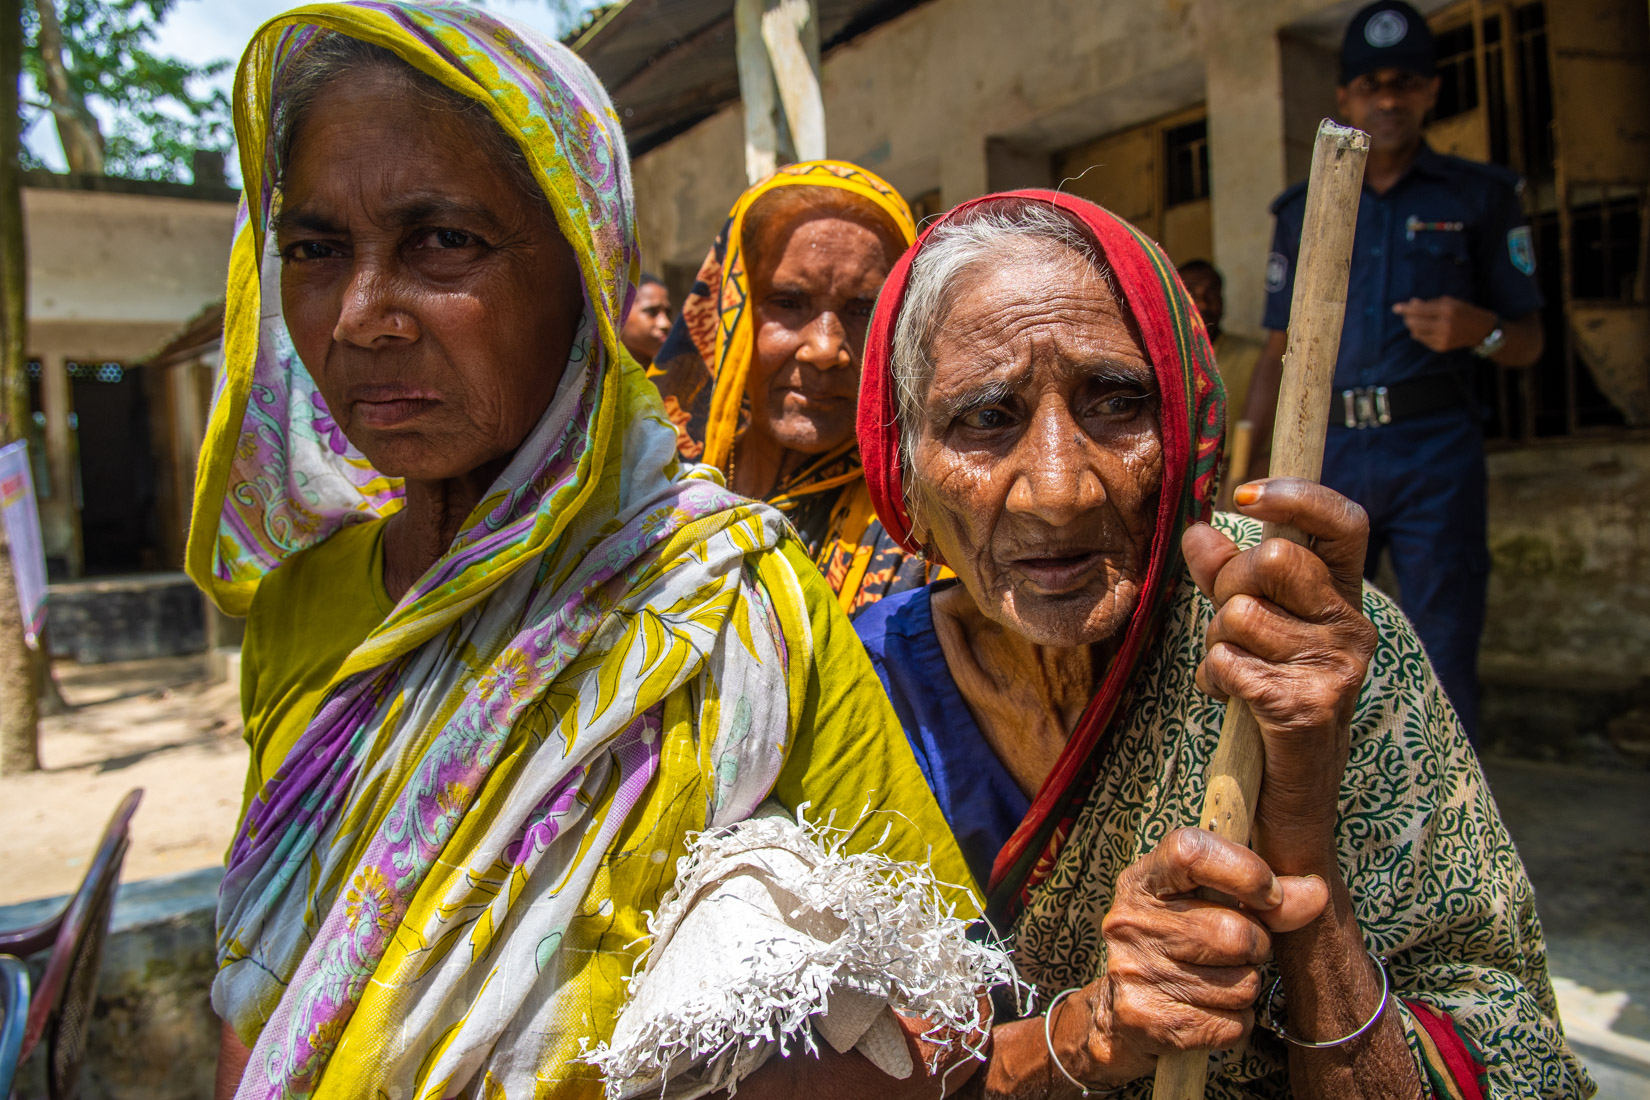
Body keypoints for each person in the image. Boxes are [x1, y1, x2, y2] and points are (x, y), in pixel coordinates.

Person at [190, 8, 982, 1098]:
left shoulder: (737, 601)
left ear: (588, 263)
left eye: (443, 241)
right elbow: (267, 975)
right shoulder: (300, 608)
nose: (362, 313)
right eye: (317, 250)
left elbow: (938, 1014)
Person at [853, 191, 1590, 1098]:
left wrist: (1301, 864)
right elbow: (819, 1068)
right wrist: (1080, 1038)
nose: (1059, 490)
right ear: (901, 463)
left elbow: (1488, 1034)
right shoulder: (861, 692)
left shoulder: (1294, 640)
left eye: (1117, 402)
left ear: (1188, 422)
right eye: (985, 419)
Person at [1240, 0, 1543, 740]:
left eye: (1404, 82)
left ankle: (1449, 837)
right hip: (1331, 452)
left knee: (1442, 647)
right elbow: (1278, 348)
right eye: (1370, 84)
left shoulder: (1481, 197)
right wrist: (1243, 464)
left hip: (1434, 447)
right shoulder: (1303, 206)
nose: (1387, 98)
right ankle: (1331, 817)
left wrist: (1485, 332)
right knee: (1313, 639)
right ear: (1344, 97)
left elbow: (1531, 340)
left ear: (1431, 90)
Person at [649, 161, 932, 613]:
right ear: (732, 314)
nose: (824, 348)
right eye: (788, 303)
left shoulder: (923, 527)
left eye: (863, 309)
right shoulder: (646, 484)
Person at [1177, 259, 1261, 445]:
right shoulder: (1160, 362)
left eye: (1212, 293)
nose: (1204, 304)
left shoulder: (1255, 358)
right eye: (1191, 293)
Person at [621, 271, 673, 366]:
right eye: (651, 312)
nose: (666, 324)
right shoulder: (596, 378)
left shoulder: (676, 377)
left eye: (668, 314)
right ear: (621, 313)